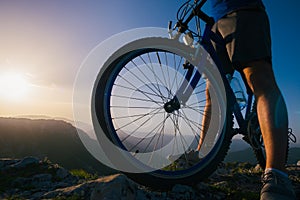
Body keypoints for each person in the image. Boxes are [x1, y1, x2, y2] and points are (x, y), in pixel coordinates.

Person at [199, 0, 297, 199]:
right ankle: (200, 158)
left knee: (259, 79)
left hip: (242, 9)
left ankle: (276, 174)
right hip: (215, 20)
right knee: (212, 93)